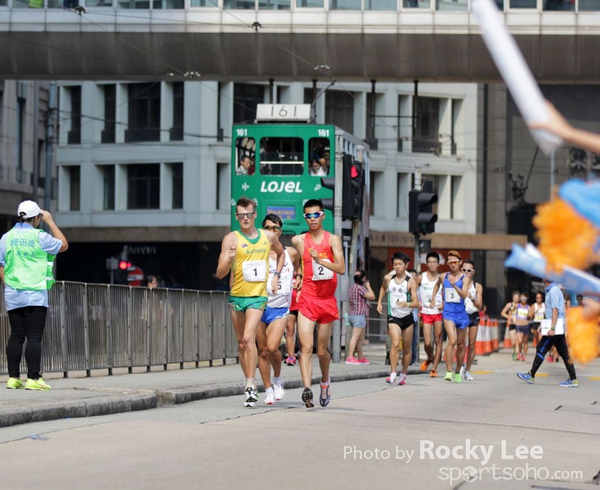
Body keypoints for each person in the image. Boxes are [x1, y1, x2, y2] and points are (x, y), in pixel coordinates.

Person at [216, 197, 285, 407]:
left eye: (248, 215)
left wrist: (276, 276)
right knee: (241, 342)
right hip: (237, 296)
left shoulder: (268, 236)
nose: (244, 218)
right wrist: (228, 258)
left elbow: (281, 255)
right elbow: (220, 274)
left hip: (257, 296)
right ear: (236, 217)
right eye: (240, 215)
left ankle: (250, 384)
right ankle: (250, 382)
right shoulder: (230, 239)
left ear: (255, 215)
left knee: (248, 337)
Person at [0, 200, 68, 391]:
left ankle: (13, 378)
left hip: (13, 293)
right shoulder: (40, 236)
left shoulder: (7, 237)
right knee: (34, 337)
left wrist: (9, 284)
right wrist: (51, 222)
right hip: (36, 293)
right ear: (37, 217)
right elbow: (63, 245)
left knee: (16, 336)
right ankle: (33, 378)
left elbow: (1, 263)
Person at [291, 199, 345, 408]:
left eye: (316, 215)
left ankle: (324, 382)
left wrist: (320, 260)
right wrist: (298, 274)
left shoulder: (333, 240)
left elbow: (341, 268)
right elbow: (293, 257)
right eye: (308, 216)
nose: (312, 219)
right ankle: (307, 389)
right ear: (304, 218)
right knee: (306, 346)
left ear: (323, 216)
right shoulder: (299, 240)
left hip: (326, 301)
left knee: (321, 350)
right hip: (307, 299)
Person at [256, 214, 301, 405]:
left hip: (280, 307)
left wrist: (298, 277)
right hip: (259, 306)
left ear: (280, 231)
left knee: (273, 347)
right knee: (263, 351)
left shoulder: (290, 253)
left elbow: (300, 265)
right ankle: (267, 389)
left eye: (275, 228)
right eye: (267, 228)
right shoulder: (258, 252)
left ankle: (277, 378)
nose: (271, 231)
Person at [517, 279, 579, 387]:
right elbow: (551, 311)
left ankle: (531, 375)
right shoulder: (553, 290)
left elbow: (555, 310)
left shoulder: (553, 290)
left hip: (555, 328)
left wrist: (552, 328)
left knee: (541, 348)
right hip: (556, 326)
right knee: (564, 354)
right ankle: (573, 379)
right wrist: (543, 325)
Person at [377, 252, 419, 385]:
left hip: (407, 317)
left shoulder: (410, 281)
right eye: (395, 264)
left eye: (400, 264)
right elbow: (383, 289)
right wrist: (379, 302)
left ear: (406, 265)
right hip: (393, 316)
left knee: (407, 348)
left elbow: (416, 302)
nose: (397, 267)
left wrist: (406, 303)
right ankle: (393, 372)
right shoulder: (388, 278)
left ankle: (404, 373)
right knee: (395, 343)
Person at [430, 251, 472, 383]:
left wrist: (455, 286)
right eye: (450, 263)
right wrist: (433, 298)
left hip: (461, 313)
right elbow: (437, 284)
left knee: (461, 344)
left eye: (455, 262)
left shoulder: (465, 278)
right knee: (452, 341)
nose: (452, 265)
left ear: (460, 263)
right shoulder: (444, 276)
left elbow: (464, 295)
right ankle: (448, 371)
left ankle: (458, 370)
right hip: (448, 312)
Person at [416, 252, 444, 377]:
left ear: (438, 264)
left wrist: (444, 304)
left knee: (438, 339)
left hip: (438, 312)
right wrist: (416, 304)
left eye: (434, 262)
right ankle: (430, 357)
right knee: (427, 342)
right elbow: (412, 289)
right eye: (430, 262)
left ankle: (434, 368)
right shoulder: (421, 277)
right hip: (426, 312)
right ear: (426, 264)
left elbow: (447, 294)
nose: (432, 264)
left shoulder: (442, 278)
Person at [345, 269, 375, 365]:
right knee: (355, 337)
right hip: (359, 315)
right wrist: (369, 286)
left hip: (352, 314)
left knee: (360, 338)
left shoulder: (352, 287)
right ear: (364, 278)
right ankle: (350, 357)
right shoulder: (360, 288)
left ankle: (360, 357)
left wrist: (366, 304)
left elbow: (357, 301)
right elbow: (372, 296)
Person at [461, 260, 483, 381]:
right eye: (464, 270)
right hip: (462, 314)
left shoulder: (477, 286)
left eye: (469, 270)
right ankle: (460, 365)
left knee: (472, 344)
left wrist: (472, 298)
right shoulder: (458, 284)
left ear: (473, 272)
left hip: (473, 315)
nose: (466, 272)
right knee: (461, 343)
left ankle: (468, 370)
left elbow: (479, 306)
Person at [284, 275, 301, 366]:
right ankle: (291, 356)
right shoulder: (286, 269)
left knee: (301, 333)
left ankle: (302, 354)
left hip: (302, 305)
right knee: (290, 331)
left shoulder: (302, 270)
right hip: (290, 305)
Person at [501, 291, 520, 360]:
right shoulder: (509, 305)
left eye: (517, 298)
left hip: (519, 325)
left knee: (518, 340)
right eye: (515, 298)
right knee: (513, 342)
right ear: (512, 298)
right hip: (512, 325)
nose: (516, 299)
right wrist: (509, 317)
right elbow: (502, 313)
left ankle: (517, 354)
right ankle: (514, 351)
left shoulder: (521, 305)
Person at [407, 268, 420, 366]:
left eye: (414, 276)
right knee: (407, 341)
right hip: (406, 317)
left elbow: (418, 303)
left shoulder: (419, 289)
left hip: (415, 318)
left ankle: (413, 360)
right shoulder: (405, 288)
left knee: (414, 341)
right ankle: (406, 360)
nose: (412, 277)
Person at [514, 293, 532, 362]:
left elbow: (531, 316)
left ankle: (524, 355)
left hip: (526, 325)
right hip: (518, 325)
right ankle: (519, 353)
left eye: (524, 298)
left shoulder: (528, 307)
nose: (523, 300)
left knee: (525, 342)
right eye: (521, 298)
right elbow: (512, 311)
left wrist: (528, 316)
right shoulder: (517, 306)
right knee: (520, 341)